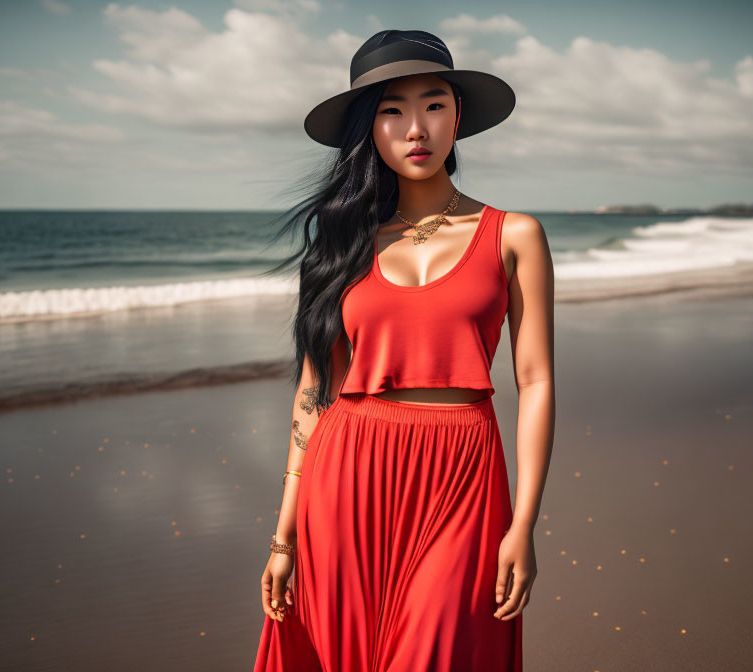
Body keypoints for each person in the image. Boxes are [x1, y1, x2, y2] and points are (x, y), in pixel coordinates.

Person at [254, 29, 555, 672]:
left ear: (458, 117)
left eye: (433, 104)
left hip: (463, 473)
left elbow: (536, 383)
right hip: (349, 470)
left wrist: (523, 524)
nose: (415, 127)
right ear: (369, 130)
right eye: (391, 110)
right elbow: (314, 398)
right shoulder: (337, 250)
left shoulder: (514, 235)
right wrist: (284, 537)